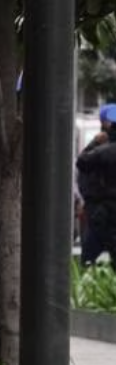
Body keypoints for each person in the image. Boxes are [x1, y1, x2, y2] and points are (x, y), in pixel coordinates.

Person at [76, 104, 116, 266]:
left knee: (87, 258)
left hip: (102, 213)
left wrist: (94, 142)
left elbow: (82, 161)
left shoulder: (102, 152)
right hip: (103, 211)